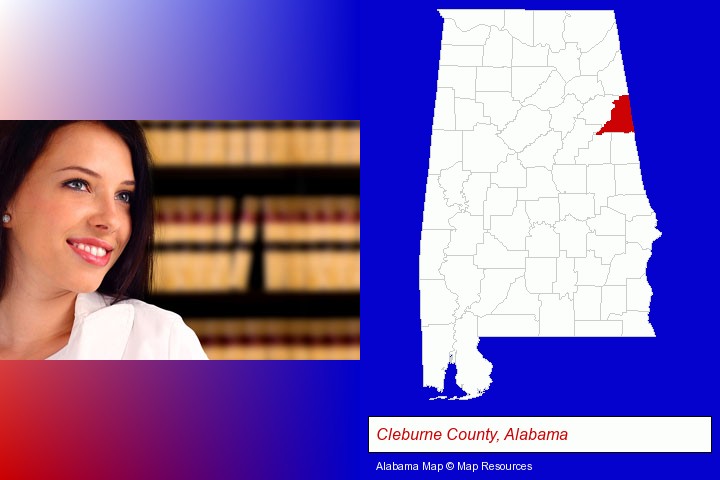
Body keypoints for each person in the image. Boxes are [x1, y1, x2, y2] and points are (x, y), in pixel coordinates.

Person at [0, 121, 207, 359]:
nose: (111, 220)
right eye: (78, 184)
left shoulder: (160, 345)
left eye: (124, 196)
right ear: (7, 197)